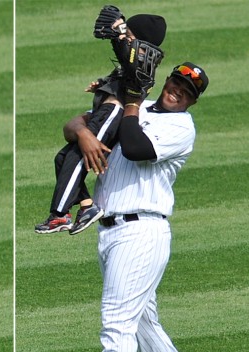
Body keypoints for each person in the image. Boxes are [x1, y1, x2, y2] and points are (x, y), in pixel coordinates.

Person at [65, 62, 211, 352]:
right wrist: (84, 134)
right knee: (144, 325)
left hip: (142, 232)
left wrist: (130, 103)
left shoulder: (181, 128)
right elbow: (74, 123)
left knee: (117, 323)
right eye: (176, 82)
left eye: (187, 91)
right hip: (110, 230)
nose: (177, 91)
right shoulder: (139, 108)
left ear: (192, 102)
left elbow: (134, 148)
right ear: (168, 80)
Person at [36, 12, 167, 235]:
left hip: (112, 113)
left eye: (130, 34)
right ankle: (86, 206)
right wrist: (104, 82)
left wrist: (117, 37)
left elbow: (131, 67)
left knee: (79, 156)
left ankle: (59, 215)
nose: (125, 37)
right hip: (104, 112)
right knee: (62, 158)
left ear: (143, 43)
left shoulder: (142, 65)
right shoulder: (135, 61)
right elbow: (124, 70)